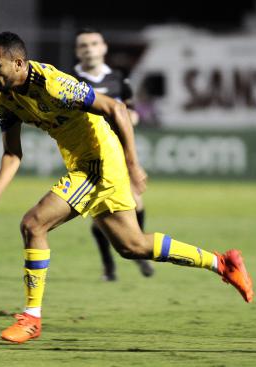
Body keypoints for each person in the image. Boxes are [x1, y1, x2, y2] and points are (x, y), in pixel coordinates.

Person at [0, 31, 254, 344]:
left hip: (98, 163)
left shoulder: (54, 85)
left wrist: (133, 165)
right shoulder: (4, 94)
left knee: (33, 224)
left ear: (18, 63)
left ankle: (32, 318)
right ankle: (223, 263)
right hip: (85, 162)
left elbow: (116, 109)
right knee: (132, 246)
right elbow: (13, 152)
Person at [73, 28, 153, 280]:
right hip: (90, 156)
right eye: (84, 45)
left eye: (94, 43)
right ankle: (109, 265)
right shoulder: (70, 80)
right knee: (101, 216)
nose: (89, 48)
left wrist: (131, 117)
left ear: (104, 48)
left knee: (136, 204)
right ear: (78, 51)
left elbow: (132, 111)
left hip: (118, 153)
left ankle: (138, 248)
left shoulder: (118, 79)